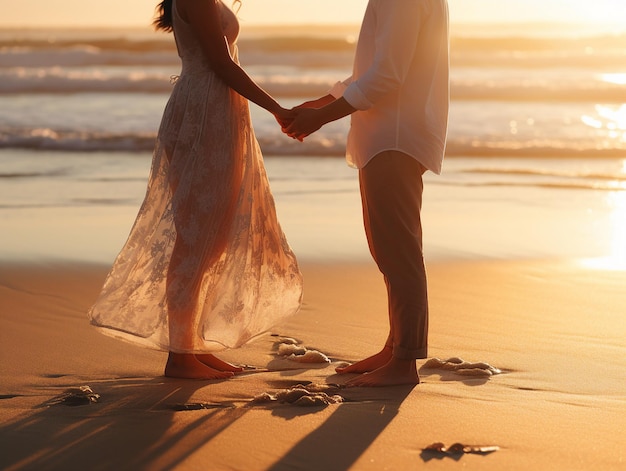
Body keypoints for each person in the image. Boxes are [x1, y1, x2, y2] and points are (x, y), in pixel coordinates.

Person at [88, 0, 302, 380]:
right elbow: (221, 63)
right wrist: (277, 109)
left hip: (215, 111)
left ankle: (191, 346)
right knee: (196, 235)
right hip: (203, 115)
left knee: (213, 236)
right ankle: (180, 356)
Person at [285, 0, 449, 386]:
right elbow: (376, 68)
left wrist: (321, 117)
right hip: (390, 134)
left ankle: (404, 361)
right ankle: (395, 348)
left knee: (399, 252)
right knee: (389, 249)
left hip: (393, 136)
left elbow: (388, 74)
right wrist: (323, 102)